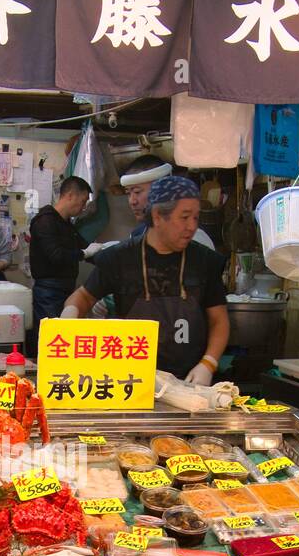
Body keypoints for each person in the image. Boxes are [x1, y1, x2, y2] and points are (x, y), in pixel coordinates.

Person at [61, 175, 229, 386]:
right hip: (130, 380)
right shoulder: (119, 258)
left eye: (196, 218)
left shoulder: (205, 261)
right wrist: (69, 316)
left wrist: (208, 363)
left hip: (189, 381)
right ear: (158, 216)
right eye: (184, 217)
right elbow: (83, 297)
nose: (192, 226)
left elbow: (219, 320)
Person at [27, 175, 94, 356]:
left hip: (65, 289)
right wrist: (85, 253)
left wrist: (105, 251)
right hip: (49, 291)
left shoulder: (66, 224)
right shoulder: (45, 221)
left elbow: (84, 246)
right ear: (70, 195)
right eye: (82, 201)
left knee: (62, 342)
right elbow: (56, 255)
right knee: (52, 341)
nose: (83, 207)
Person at [120, 154, 217, 251]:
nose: (132, 201)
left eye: (137, 192)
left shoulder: (194, 237)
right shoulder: (137, 234)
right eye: (128, 193)